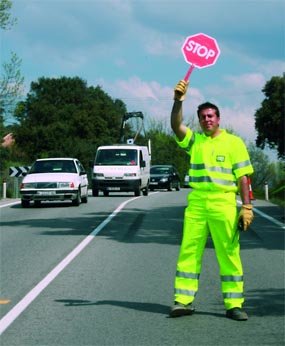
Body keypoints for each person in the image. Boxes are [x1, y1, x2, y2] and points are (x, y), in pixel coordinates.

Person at [169, 80, 254, 321]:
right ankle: (182, 301)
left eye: (211, 116)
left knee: (228, 253)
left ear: (218, 119)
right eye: (203, 117)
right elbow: (176, 126)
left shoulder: (234, 143)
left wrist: (247, 206)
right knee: (189, 251)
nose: (207, 120)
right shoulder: (195, 141)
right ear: (199, 120)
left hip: (224, 203)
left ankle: (234, 305)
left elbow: (244, 177)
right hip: (197, 203)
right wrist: (178, 101)